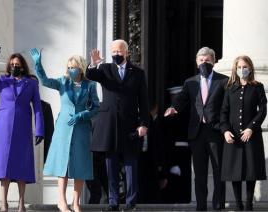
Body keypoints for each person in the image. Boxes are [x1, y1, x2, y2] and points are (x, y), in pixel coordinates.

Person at [30, 48, 99, 212]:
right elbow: (45, 81)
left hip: (82, 129)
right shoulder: (63, 82)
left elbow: (96, 108)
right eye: (68, 67)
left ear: (81, 68)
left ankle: (76, 203)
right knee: (63, 165)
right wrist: (38, 64)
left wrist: (82, 115)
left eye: (73, 67)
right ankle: (62, 201)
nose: (70, 70)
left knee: (80, 166)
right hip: (64, 128)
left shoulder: (90, 85)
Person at [0, 46, 44, 212]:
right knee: (3, 165)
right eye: (12, 64)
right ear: (9, 66)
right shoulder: (2, 81)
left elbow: (37, 107)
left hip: (22, 127)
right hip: (3, 128)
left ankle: (21, 203)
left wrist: (40, 130)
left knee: (22, 164)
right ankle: (3, 203)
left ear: (22, 66)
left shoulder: (32, 83)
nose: (15, 66)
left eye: (18, 64)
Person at [86, 39, 150, 211]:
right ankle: (113, 201)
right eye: (113, 52)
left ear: (127, 53)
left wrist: (144, 124)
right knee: (111, 165)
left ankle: (131, 203)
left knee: (130, 166)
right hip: (109, 124)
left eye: (119, 52)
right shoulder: (105, 69)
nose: (116, 54)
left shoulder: (137, 73)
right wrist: (93, 64)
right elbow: (90, 75)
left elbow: (144, 101)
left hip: (130, 124)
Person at [164, 47, 227, 211]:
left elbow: (228, 106)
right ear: (196, 62)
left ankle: (218, 206)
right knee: (199, 175)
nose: (204, 63)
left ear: (213, 61)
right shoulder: (190, 82)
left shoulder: (224, 81)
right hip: (197, 133)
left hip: (216, 132)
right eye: (201, 61)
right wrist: (173, 108)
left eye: (207, 61)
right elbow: (181, 99)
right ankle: (201, 207)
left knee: (219, 172)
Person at [220, 55, 267, 211]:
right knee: (235, 171)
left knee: (250, 171)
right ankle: (238, 203)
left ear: (250, 68)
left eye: (245, 67)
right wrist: (225, 130)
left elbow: (262, 110)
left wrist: (251, 128)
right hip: (233, 136)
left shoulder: (257, 87)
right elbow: (223, 113)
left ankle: (248, 204)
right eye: (239, 67)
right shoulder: (230, 88)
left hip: (251, 136)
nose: (242, 70)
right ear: (235, 69)